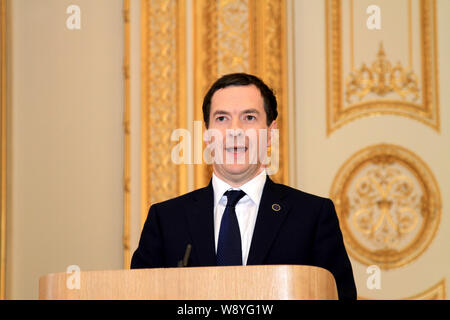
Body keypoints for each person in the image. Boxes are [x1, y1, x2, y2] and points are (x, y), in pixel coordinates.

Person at [131, 73, 357, 300]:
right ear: (207, 135)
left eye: (249, 117)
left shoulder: (313, 216)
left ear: (270, 133)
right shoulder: (166, 219)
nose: (235, 130)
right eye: (222, 118)